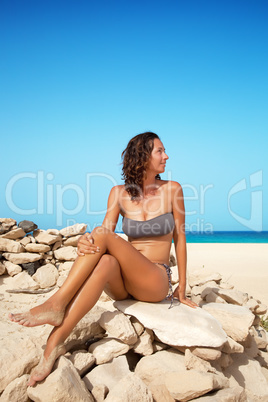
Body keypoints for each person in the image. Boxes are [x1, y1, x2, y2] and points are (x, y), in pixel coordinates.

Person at [9, 132, 197, 386]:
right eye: (160, 151)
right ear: (143, 157)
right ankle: (53, 345)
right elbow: (104, 236)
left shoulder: (173, 190)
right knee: (106, 259)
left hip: (155, 278)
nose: (166, 156)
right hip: (124, 285)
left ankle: (56, 305)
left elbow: (180, 239)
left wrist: (181, 286)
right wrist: (85, 244)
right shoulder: (119, 193)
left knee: (101, 236)